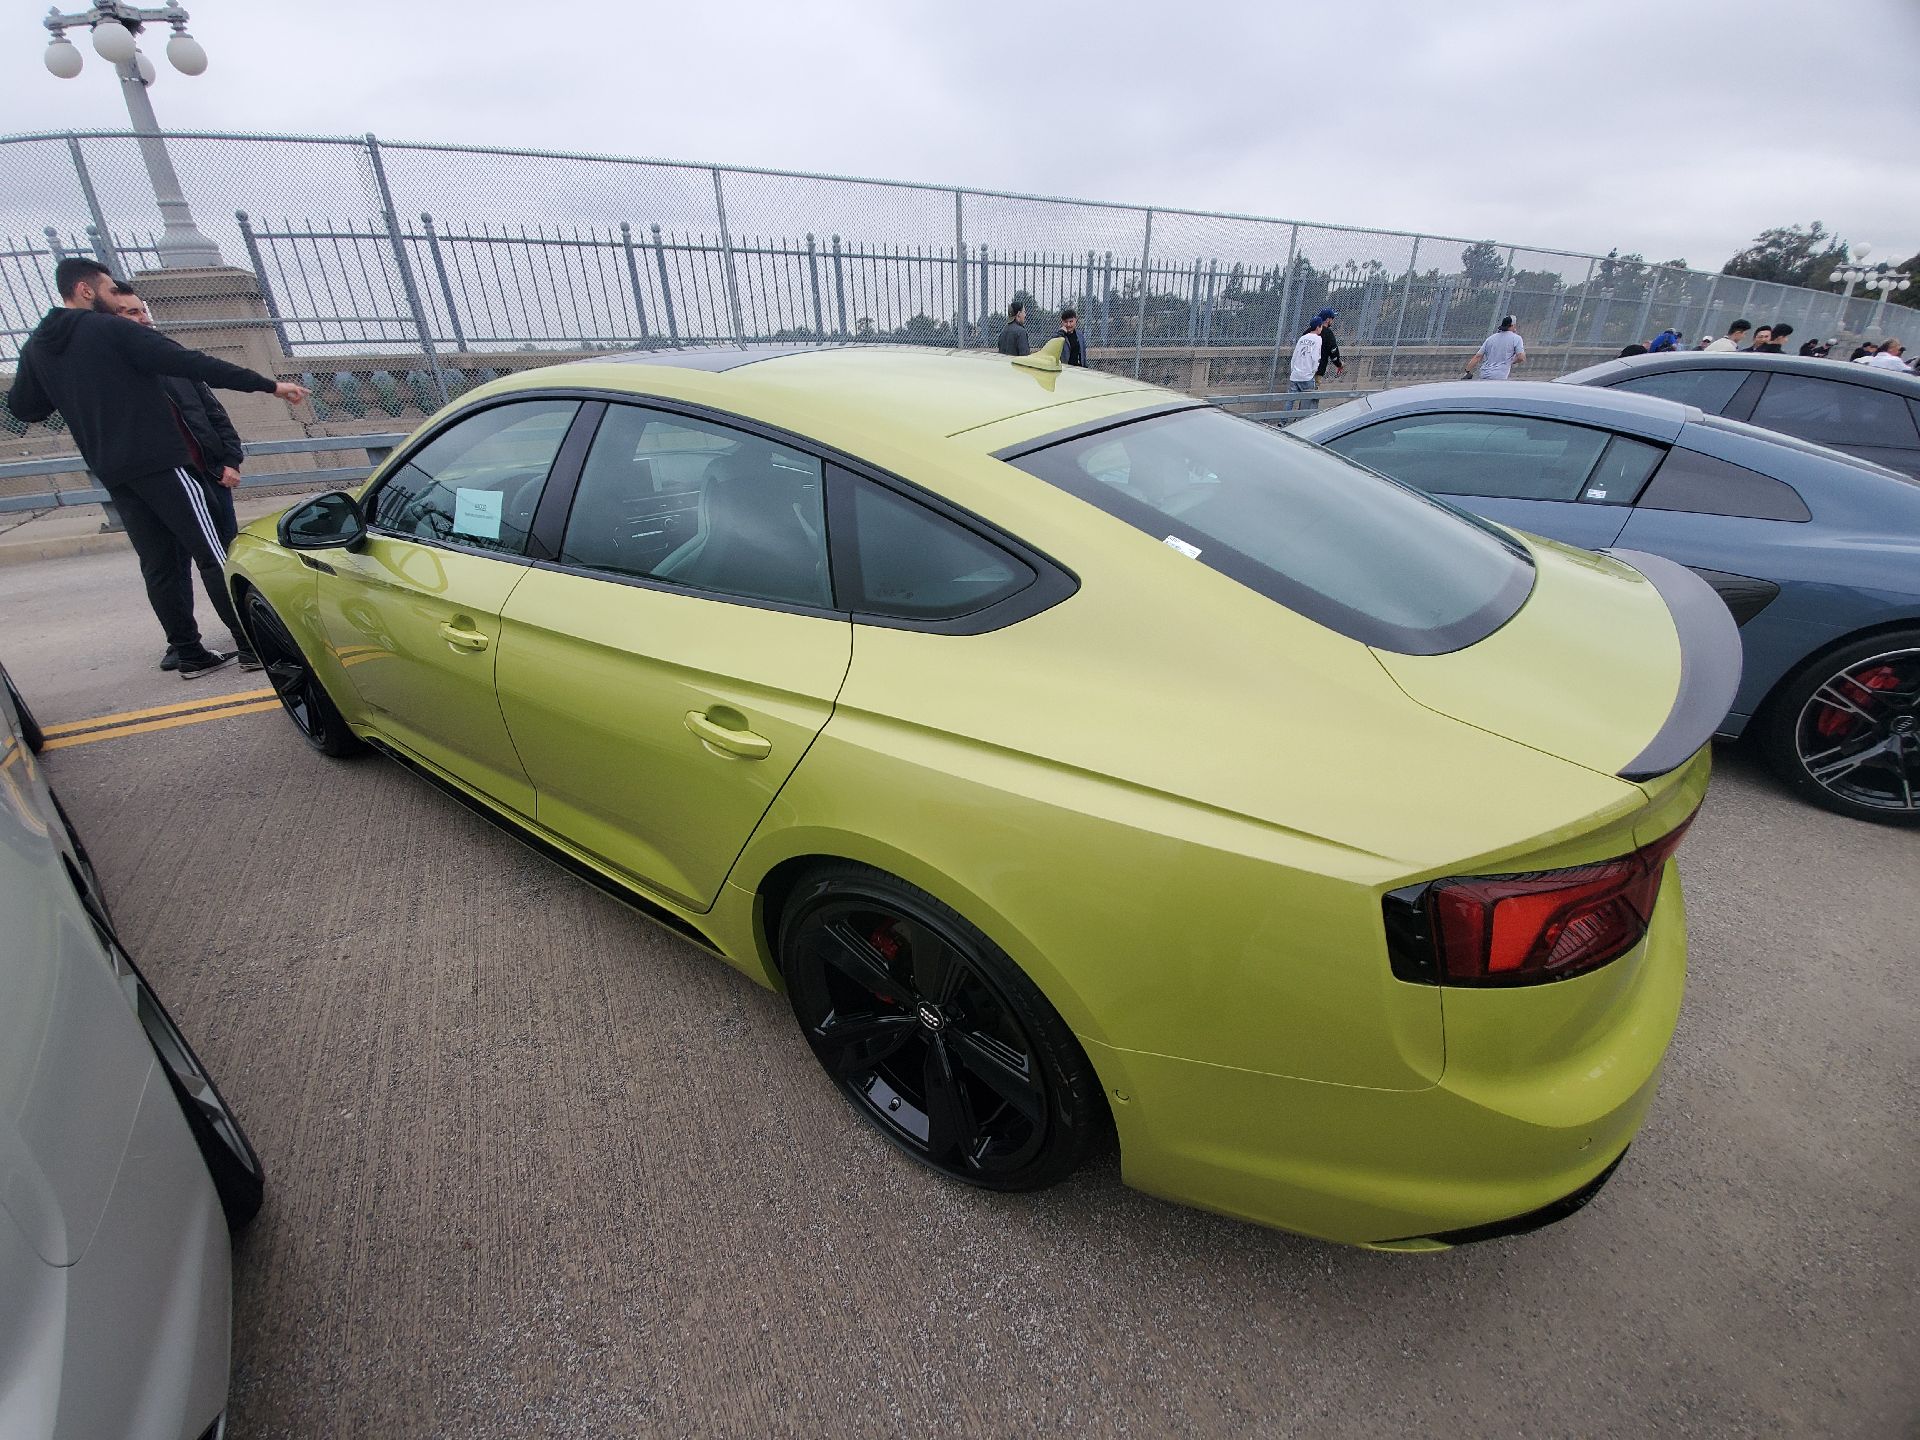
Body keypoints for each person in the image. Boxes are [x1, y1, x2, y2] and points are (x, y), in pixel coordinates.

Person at [5, 258, 310, 679]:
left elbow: (25, 407)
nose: (117, 300)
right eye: (111, 291)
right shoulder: (111, 330)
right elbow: (192, 364)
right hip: (162, 462)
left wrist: (75, 386)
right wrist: (270, 385)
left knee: (160, 562)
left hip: (113, 472)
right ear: (86, 290)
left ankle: (189, 653)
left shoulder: (38, 346)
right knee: (216, 554)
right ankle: (251, 647)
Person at [114, 284, 249, 669]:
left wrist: (230, 460)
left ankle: (247, 641)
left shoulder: (170, 360)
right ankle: (185, 645)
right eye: (130, 313)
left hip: (207, 475)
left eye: (143, 311)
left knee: (222, 556)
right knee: (164, 566)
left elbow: (212, 411)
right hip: (158, 481)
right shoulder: (114, 374)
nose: (143, 319)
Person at [1287, 311, 1332, 412]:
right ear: (1318, 327)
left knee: (1289, 400)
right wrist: (1313, 371)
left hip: (1295, 375)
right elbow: (1316, 357)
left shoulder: (1302, 338)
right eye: (1321, 327)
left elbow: (1294, 356)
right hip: (1307, 375)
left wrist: (1293, 370)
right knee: (1308, 401)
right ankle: (1302, 421)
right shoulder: (1318, 339)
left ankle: (1282, 421)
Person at [1464, 315, 1525, 379]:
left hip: (1484, 373)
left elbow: (1478, 357)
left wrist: (1467, 371)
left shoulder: (1491, 338)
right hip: (1499, 375)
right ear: (1512, 325)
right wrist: (1511, 361)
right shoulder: (1516, 338)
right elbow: (1521, 357)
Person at [1309, 308, 1345, 385]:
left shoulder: (1309, 331)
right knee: (1312, 393)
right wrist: (1339, 364)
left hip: (1302, 369)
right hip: (1317, 369)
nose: (1333, 321)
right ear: (1327, 319)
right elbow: (1333, 352)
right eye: (1332, 318)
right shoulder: (1328, 333)